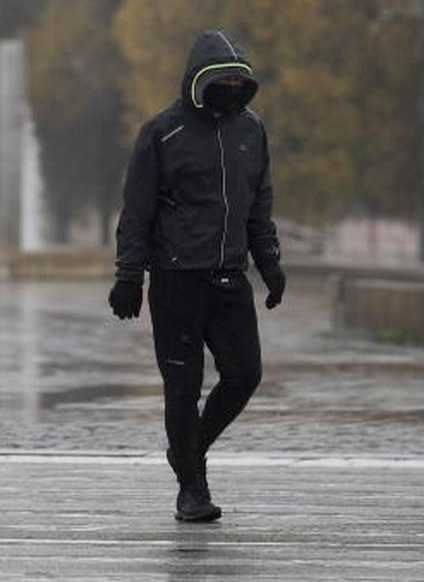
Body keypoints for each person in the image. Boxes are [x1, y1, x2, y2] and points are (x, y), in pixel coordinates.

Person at [109, 29, 286, 523]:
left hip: (230, 277)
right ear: (197, 81)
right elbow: (137, 211)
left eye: (237, 81)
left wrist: (270, 263)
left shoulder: (252, 131)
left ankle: (188, 450)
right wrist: (129, 276)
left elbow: (259, 206)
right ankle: (193, 489)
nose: (231, 88)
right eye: (221, 81)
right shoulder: (162, 132)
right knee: (182, 387)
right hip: (175, 280)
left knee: (245, 373)